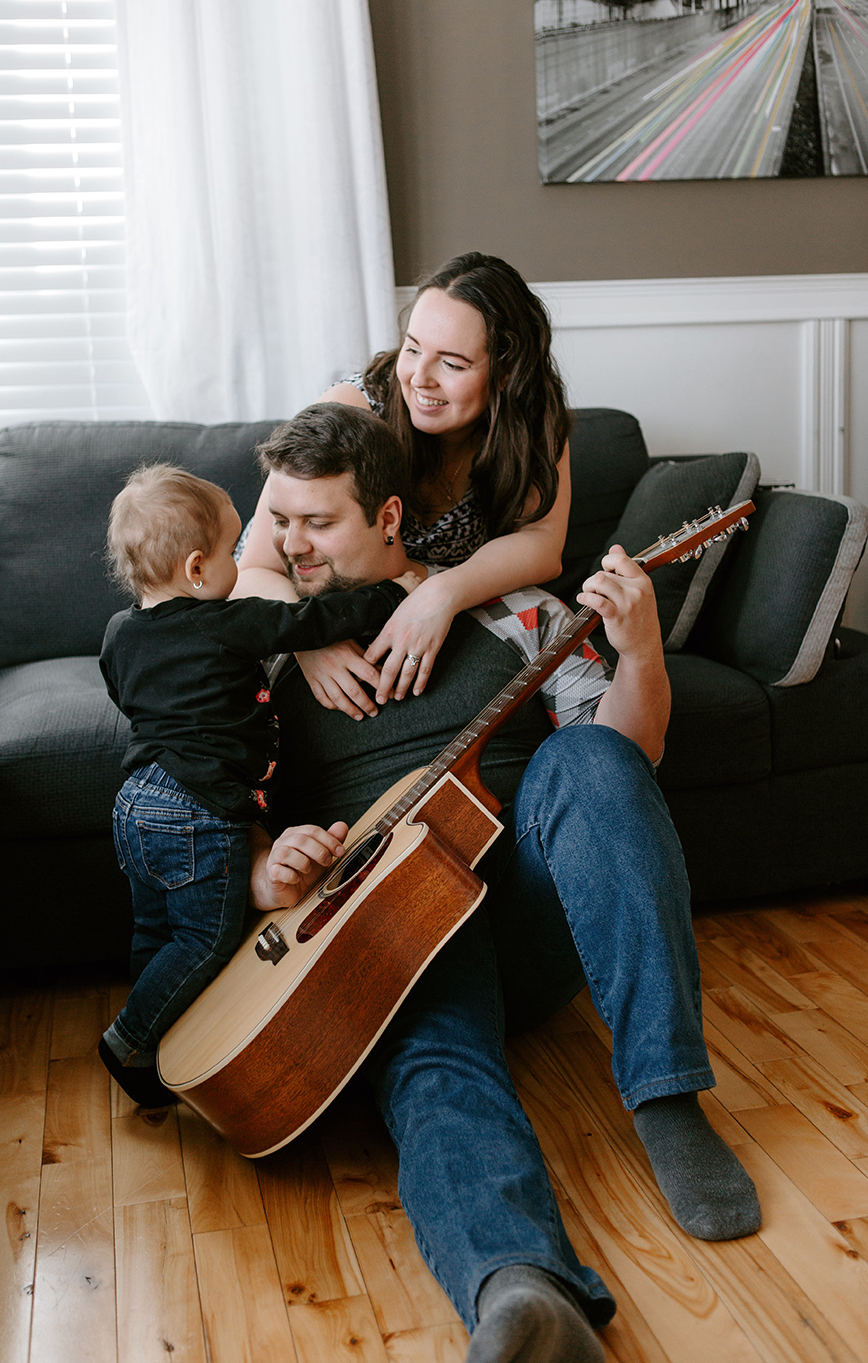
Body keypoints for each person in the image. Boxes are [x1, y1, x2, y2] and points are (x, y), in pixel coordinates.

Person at [244, 404, 762, 1363]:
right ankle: (522, 1293)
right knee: (434, 1072)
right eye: (281, 523)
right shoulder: (268, 652)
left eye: (317, 524)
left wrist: (640, 650)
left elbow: (632, 756)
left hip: (529, 905)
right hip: (394, 941)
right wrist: (268, 866)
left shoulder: (515, 612)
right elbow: (224, 807)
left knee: (592, 761)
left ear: (389, 517)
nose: (286, 546)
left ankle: (666, 1097)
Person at [96, 463, 420, 1107]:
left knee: (154, 930)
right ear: (196, 569)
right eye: (232, 550)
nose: (243, 563)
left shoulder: (118, 633)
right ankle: (130, 1042)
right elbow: (307, 625)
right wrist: (393, 594)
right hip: (196, 809)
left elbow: (125, 693)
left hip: (136, 801)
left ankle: (164, 1030)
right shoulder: (225, 618)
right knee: (204, 938)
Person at [233, 251, 573, 723]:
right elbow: (251, 571)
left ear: (506, 372)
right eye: (413, 349)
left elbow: (542, 543)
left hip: (433, 625)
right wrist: (307, 639)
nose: (418, 377)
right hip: (313, 610)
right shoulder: (353, 410)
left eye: (452, 364)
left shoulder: (533, 420)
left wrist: (440, 594)